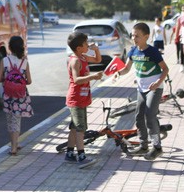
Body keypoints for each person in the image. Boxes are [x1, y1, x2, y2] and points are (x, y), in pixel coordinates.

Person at [112, 22, 170, 160]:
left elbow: (165, 69)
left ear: (146, 37)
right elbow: (126, 68)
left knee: (150, 115)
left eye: (137, 36)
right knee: (139, 117)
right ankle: (143, 146)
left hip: (154, 89)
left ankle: (157, 147)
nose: (134, 38)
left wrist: (158, 82)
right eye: (133, 35)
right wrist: (118, 73)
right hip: (141, 89)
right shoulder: (133, 51)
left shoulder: (153, 51)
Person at [65, 31, 103, 168]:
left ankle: (69, 154)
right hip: (76, 99)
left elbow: (98, 60)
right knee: (81, 129)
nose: (88, 45)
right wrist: (93, 77)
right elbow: (76, 79)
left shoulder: (83, 57)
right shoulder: (75, 60)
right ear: (79, 47)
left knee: (75, 128)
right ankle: (81, 156)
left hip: (82, 98)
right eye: (86, 43)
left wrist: (96, 49)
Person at [2, 35, 34, 155]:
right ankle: (14, 146)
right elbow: (29, 81)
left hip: (8, 95)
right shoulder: (25, 62)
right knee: (16, 120)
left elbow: (0, 78)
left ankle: (13, 145)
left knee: (10, 120)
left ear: (9, 47)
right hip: (20, 96)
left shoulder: (5, 61)